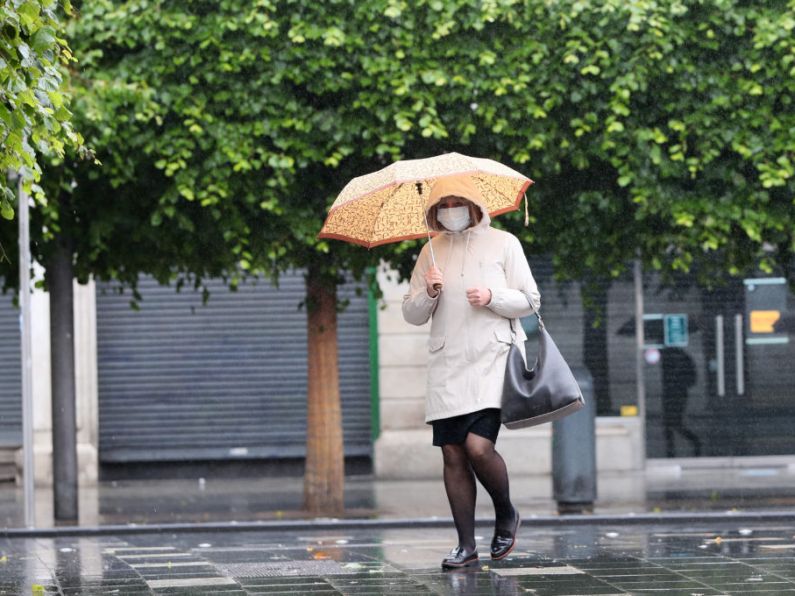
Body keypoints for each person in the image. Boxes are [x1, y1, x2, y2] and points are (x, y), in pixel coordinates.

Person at [402, 175, 541, 570]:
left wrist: (493, 297)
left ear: (474, 203)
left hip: (491, 362)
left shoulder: (505, 243)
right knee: (452, 453)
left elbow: (530, 300)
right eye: (442, 205)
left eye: (456, 203)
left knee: (478, 447)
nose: (450, 212)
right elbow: (410, 314)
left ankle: (506, 512)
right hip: (447, 366)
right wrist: (429, 293)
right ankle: (466, 545)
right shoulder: (430, 251)